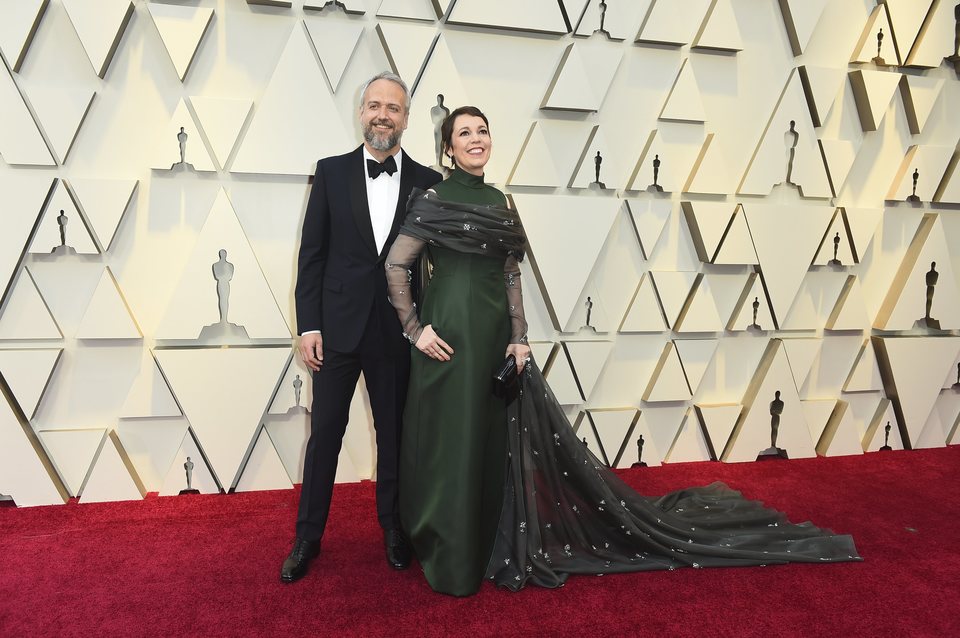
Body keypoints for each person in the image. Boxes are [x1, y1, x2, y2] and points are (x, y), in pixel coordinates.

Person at [385, 106, 860, 597]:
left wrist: (520, 336)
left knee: (485, 445)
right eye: (464, 133)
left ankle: (483, 544)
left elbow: (510, 274)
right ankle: (447, 548)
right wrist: (414, 329)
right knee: (449, 445)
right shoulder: (436, 198)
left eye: (483, 130)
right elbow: (397, 265)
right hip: (446, 345)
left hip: (490, 341)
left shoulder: (502, 201)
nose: (476, 139)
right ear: (448, 147)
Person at [281, 72, 442, 584]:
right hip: (336, 330)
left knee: (393, 436)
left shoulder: (427, 181)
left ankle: (393, 529)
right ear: (361, 112)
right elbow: (313, 256)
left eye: (393, 108)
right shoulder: (330, 172)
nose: (382, 115)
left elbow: (436, 264)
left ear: (406, 119)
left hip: (397, 332)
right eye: (375, 105)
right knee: (325, 433)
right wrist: (309, 325)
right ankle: (308, 536)